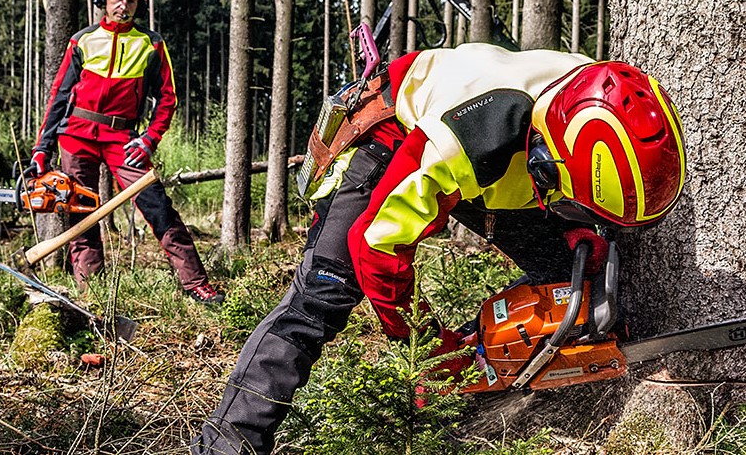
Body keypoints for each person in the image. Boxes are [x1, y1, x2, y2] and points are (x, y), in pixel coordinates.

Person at [190, 43, 686, 454]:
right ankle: (231, 440)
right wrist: (429, 350)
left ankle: (506, 358)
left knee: (568, 275)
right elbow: (377, 247)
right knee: (323, 294)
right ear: (546, 159)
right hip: (395, 137)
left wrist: (583, 231)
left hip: (509, 165)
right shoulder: (462, 143)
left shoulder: (603, 96)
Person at [27, 0, 224, 305]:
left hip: (124, 139)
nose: (124, 6)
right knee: (80, 211)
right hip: (76, 135)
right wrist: (42, 148)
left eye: (132, 1)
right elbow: (59, 96)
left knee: (157, 205)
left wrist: (149, 139)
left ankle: (195, 283)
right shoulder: (83, 41)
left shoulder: (151, 44)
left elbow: (168, 99)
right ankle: (93, 293)